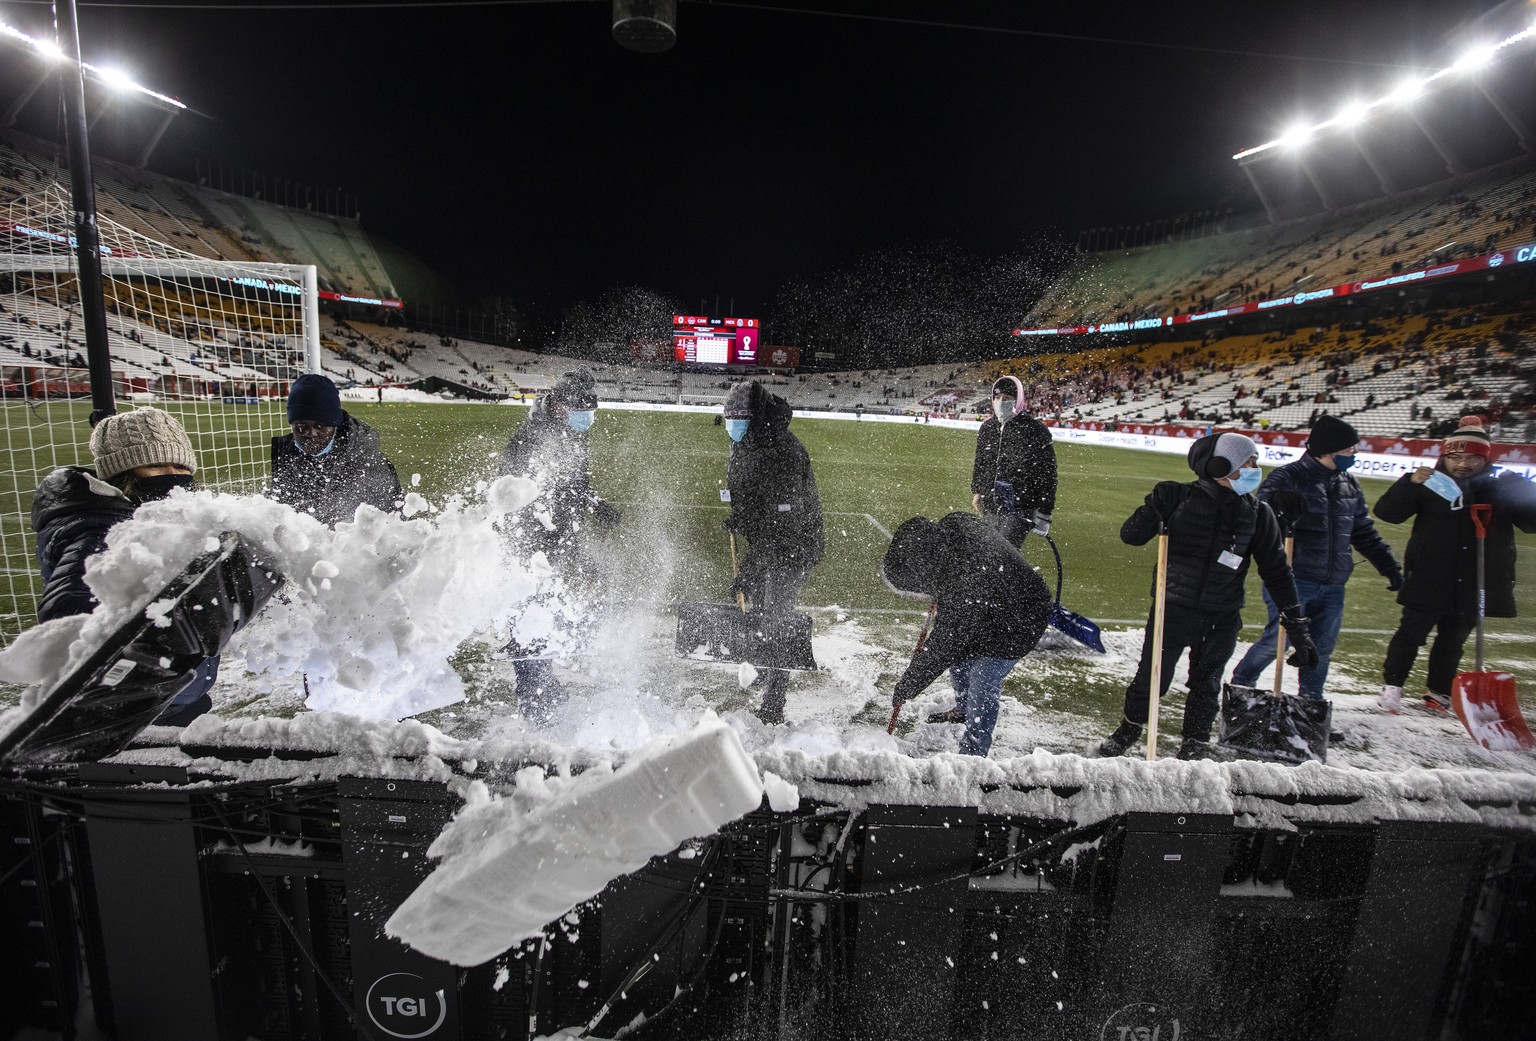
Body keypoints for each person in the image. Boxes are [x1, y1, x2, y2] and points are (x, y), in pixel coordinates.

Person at [1092, 432, 1318, 761]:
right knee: (1152, 677)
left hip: (1222, 614)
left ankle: (1194, 743)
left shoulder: (1257, 513)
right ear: (1219, 464)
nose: (1256, 468)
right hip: (1173, 608)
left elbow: (1277, 572)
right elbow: (1131, 537)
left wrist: (1297, 626)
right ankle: (1129, 729)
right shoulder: (1179, 499)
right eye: (1249, 462)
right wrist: (1151, 508)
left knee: (1207, 683)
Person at [30, 407, 217, 726]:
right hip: (133, 709)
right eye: (155, 465)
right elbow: (68, 618)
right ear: (122, 474)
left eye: (180, 466)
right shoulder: (100, 531)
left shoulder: (149, 519)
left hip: (174, 696)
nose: (172, 476)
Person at [1228, 416, 1401, 700]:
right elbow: (1259, 518)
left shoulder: (1349, 484)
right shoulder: (1287, 477)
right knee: (1278, 641)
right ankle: (1242, 684)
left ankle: (1311, 703)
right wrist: (1280, 518)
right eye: (1349, 450)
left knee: (1321, 647)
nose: (1354, 454)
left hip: (1334, 583)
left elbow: (1363, 532)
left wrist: (1389, 567)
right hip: (1293, 578)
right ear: (1328, 450)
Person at [1373, 417, 1536, 713]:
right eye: (1455, 457)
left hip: (1476, 580)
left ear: (1485, 458)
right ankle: (1392, 687)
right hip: (1429, 577)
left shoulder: (1500, 489)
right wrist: (1408, 485)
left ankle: (1438, 692)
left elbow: (1532, 525)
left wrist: (1526, 491)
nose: (1463, 464)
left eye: (1472, 457)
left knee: (1453, 641)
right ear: (1444, 456)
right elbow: (1387, 513)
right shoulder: (1429, 485)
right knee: (1410, 635)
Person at [496, 369, 620, 721]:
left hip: (563, 534)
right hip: (530, 544)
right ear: (561, 405)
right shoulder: (530, 439)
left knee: (563, 598)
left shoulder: (573, 435)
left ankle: (545, 677)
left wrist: (596, 504)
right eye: (581, 411)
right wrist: (537, 535)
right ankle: (532, 693)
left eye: (590, 412)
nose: (586, 419)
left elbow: (577, 481)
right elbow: (512, 497)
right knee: (530, 611)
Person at [881, 512, 1052, 756]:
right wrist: (941, 590)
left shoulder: (964, 583)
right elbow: (955, 621)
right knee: (961, 659)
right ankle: (962, 709)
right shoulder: (953, 525)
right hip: (993, 603)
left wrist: (908, 685)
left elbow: (944, 644)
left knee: (983, 676)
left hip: (1022, 618)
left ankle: (974, 752)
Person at [722, 380, 824, 724]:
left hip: (795, 545)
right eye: (728, 417)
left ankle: (775, 701)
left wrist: (750, 567)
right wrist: (740, 518)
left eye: (738, 417)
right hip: (771, 540)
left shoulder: (783, 452)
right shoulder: (748, 441)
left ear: (755, 417)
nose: (732, 424)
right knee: (764, 611)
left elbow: (783, 526)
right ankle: (767, 668)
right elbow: (752, 495)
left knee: (778, 617)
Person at [268, 373, 402, 526]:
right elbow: (279, 511)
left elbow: (390, 530)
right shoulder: (287, 456)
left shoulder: (367, 462)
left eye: (320, 426)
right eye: (300, 427)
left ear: (335, 425)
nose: (310, 434)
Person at [970, 375, 1057, 548]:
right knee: (988, 555)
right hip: (991, 506)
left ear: (1018, 400)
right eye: (997, 398)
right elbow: (981, 463)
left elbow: (1048, 474)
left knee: (1002, 555)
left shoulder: (1035, 430)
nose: (1001, 402)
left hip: (1020, 509)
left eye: (1007, 398)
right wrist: (977, 490)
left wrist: (1044, 513)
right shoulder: (987, 428)